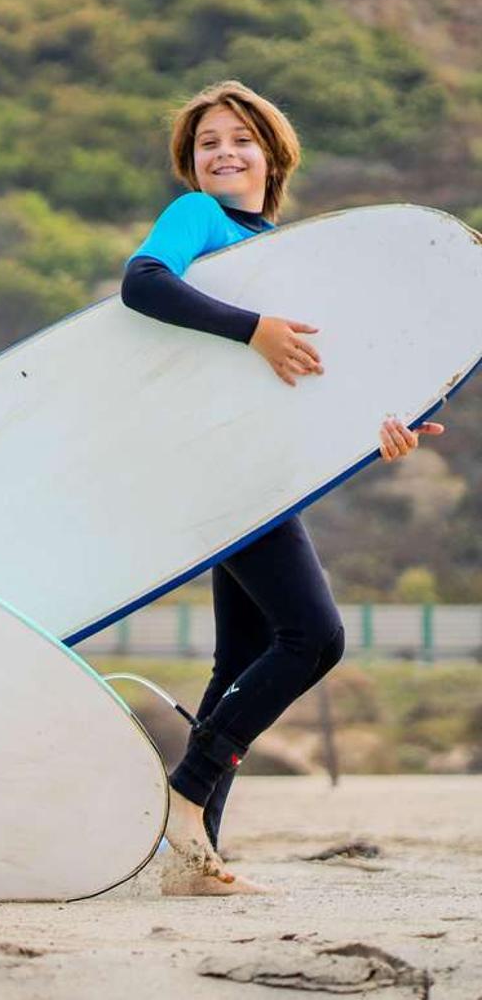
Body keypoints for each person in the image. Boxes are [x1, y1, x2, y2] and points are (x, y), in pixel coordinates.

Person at [119, 80, 442, 896]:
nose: (224, 153)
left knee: (242, 655)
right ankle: (187, 790)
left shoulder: (283, 252)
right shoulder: (198, 218)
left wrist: (376, 435)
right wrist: (251, 327)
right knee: (313, 637)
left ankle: (194, 860)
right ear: (192, 164)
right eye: (207, 144)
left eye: (240, 140)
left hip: (262, 470)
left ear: (273, 153)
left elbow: (291, 388)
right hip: (219, 467)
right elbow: (142, 284)